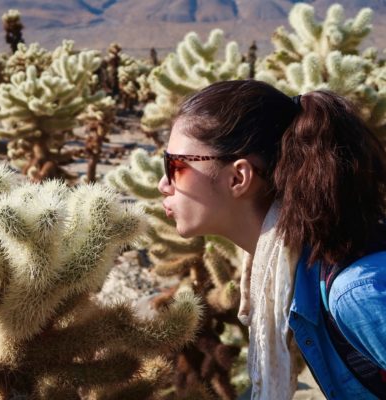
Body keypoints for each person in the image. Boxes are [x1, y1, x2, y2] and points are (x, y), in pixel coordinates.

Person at [157, 79, 386, 400]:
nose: (162, 184)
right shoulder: (297, 274)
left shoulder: (356, 294)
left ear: (238, 177)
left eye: (175, 166)